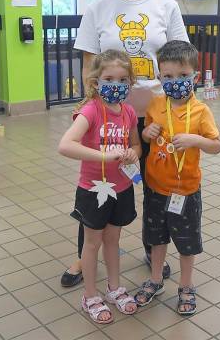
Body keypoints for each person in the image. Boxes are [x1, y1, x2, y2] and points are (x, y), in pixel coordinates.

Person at [61, 0, 189, 288]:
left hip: (157, 118)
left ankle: (153, 246)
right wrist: (89, 109)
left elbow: (180, 59)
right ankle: (85, 251)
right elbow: (89, 66)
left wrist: (183, 108)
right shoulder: (98, 7)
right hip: (108, 119)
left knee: (155, 186)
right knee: (96, 184)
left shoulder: (166, 5)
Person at [134, 40, 220, 315]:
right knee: (157, 239)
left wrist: (196, 139)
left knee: (186, 243)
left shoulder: (201, 111)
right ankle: (156, 279)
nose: (176, 82)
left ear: (195, 76)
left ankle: (186, 285)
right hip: (156, 188)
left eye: (183, 76)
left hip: (185, 190)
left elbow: (216, 145)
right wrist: (147, 133)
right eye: (168, 76)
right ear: (160, 77)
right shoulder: (156, 104)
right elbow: (148, 130)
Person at [58, 50, 141, 323]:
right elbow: (66, 145)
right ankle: (90, 295)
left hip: (121, 187)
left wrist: (132, 153)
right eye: (109, 79)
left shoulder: (128, 111)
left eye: (122, 79)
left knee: (113, 240)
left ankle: (114, 288)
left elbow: (136, 145)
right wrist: (104, 156)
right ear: (96, 82)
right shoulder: (91, 110)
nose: (115, 85)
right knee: (92, 243)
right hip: (94, 190)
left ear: (130, 82)